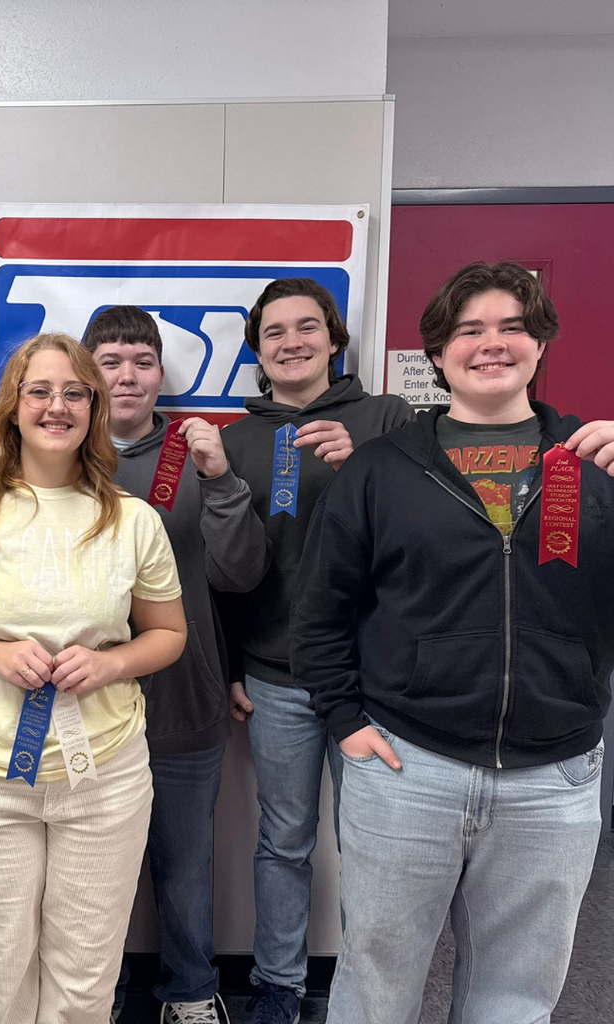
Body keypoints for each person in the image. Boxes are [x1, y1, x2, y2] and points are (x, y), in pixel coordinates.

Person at [291, 261, 614, 1024]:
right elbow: (321, 611)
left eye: (512, 327)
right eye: (470, 330)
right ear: (438, 353)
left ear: (541, 344)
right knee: (377, 984)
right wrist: (346, 721)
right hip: (408, 766)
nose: (492, 343)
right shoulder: (382, 467)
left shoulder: (594, 463)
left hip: (553, 777)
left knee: (517, 997)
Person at [0, 332, 187, 1023]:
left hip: (105, 778)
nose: (57, 406)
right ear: (12, 406)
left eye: (74, 393)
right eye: (40, 391)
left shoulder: (133, 520)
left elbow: (169, 634)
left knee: (85, 979)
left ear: (93, 408)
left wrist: (112, 663)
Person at [218, 277, 412, 1024]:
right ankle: (278, 985)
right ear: (256, 350)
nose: (291, 342)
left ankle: (370, 991)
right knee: (284, 840)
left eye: (307, 327)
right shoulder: (235, 441)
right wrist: (232, 664)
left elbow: (426, 528)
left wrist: (366, 461)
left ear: (335, 340)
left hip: (376, 679)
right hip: (275, 675)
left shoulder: (389, 419)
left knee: (375, 847)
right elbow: (225, 568)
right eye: (274, 332)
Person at [82, 305, 268, 1024]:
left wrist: (219, 481)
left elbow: (240, 574)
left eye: (142, 362)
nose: (127, 377)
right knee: (89, 872)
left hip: (185, 696)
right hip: (84, 703)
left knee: (185, 865)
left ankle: (190, 990)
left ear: (162, 373)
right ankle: (91, 997)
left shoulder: (196, 454)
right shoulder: (58, 456)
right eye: (110, 362)